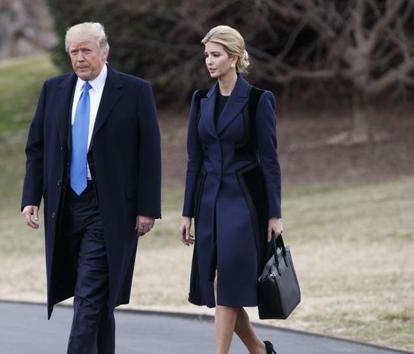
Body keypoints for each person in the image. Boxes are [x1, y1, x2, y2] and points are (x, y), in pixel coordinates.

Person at [21, 22, 161, 354]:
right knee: (96, 296)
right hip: (65, 206)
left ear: (104, 51)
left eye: (86, 50)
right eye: (74, 52)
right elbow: (37, 149)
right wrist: (31, 198)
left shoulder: (134, 90)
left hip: (110, 207)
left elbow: (150, 151)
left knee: (89, 293)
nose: (80, 58)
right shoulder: (53, 90)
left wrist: (147, 208)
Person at [178, 25, 282, 354]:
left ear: (234, 57)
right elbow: (194, 160)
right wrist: (187, 212)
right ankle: (258, 349)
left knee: (227, 284)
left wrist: (275, 214)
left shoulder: (257, 100)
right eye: (207, 55)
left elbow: (269, 160)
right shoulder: (201, 100)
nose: (209, 61)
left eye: (216, 55)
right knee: (219, 285)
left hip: (244, 203)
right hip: (208, 202)